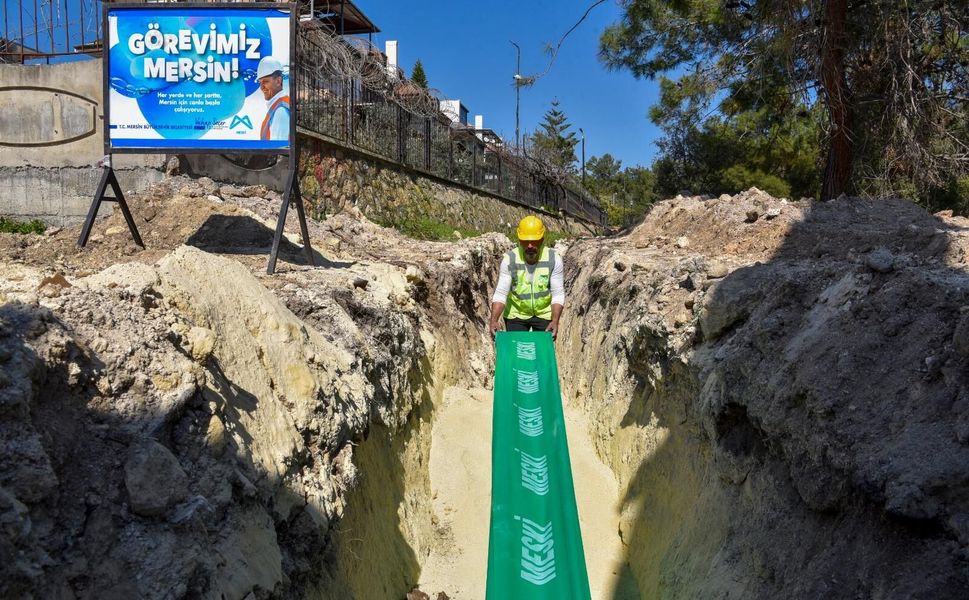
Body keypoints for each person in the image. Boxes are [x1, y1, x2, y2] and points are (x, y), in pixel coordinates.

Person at [489, 216, 565, 339]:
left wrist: (555, 321)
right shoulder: (510, 260)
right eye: (525, 241)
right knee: (517, 352)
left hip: (544, 313)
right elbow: (501, 293)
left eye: (534, 241)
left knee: (541, 354)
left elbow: (558, 294)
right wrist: (494, 320)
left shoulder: (554, 259)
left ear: (542, 239)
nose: (529, 246)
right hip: (516, 313)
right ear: (519, 240)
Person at [256, 57, 290, 141]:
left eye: (265, 82)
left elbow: (279, 148)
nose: (262, 87)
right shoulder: (277, 106)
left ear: (278, 81)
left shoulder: (280, 111)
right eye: (260, 83)